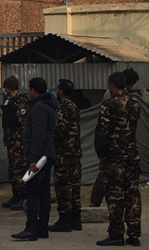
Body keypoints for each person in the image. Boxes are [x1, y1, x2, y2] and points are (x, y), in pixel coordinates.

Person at [94, 71, 141, 246]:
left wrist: (101, 153)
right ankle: (134, 235)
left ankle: (116, 234)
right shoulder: (134, 104)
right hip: (132, 156)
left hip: (113, 158)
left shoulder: (108, 105)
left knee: (115, 196)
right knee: (133, 195)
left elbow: (101, 134)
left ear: (112, 85)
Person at [11, 77, 57, 241]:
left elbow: (38, 135)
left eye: (30, 89)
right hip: (48, 154)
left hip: (40, 156)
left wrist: (33, 160)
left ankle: (31, 228)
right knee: (44, 192)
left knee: (32, 191)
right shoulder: (49, 107)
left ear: (34, 91)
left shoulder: (38, 108)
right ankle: (42, 228)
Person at [91, 67, 139, 208]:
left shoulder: (123, 100)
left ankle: (99, 202)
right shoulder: (123, 101)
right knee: (109, 179)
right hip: (116, 150)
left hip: (118, 150)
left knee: (112, 180)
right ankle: (96, 202)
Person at [49, 78, 83, 232]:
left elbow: (59, 129)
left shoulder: (62, 106)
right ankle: (76, 220)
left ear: (61, 91)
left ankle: (64, 220)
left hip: (64, 152)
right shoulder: (74, 106)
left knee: (63, 186)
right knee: (75, 186)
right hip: (75, 151)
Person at [0, 75, 29, 210]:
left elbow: (23, 122)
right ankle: (16, 195)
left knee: (19, 170)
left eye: (5, 86)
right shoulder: (8, 100)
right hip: (10, 141)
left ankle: (22, 197)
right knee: (12, 170)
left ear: (8, 87)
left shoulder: (20, 101)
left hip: (17, 142)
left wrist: (19, 140)